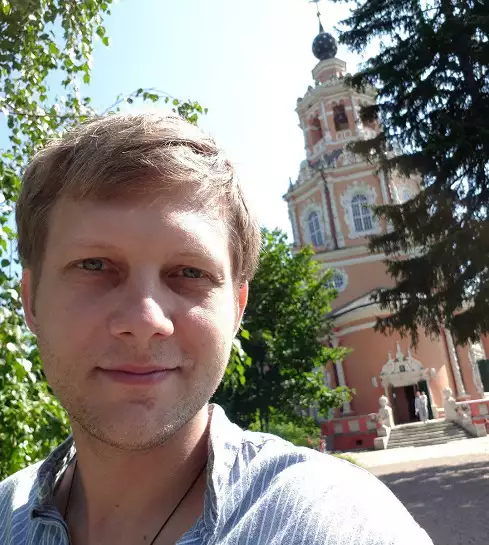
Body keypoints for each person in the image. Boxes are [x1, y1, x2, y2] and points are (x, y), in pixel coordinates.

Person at [0, 113, 433, 544]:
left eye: (190, 272)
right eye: (94, 265)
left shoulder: (338, 523)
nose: (145, 321)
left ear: (237, 309)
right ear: (31, 300)